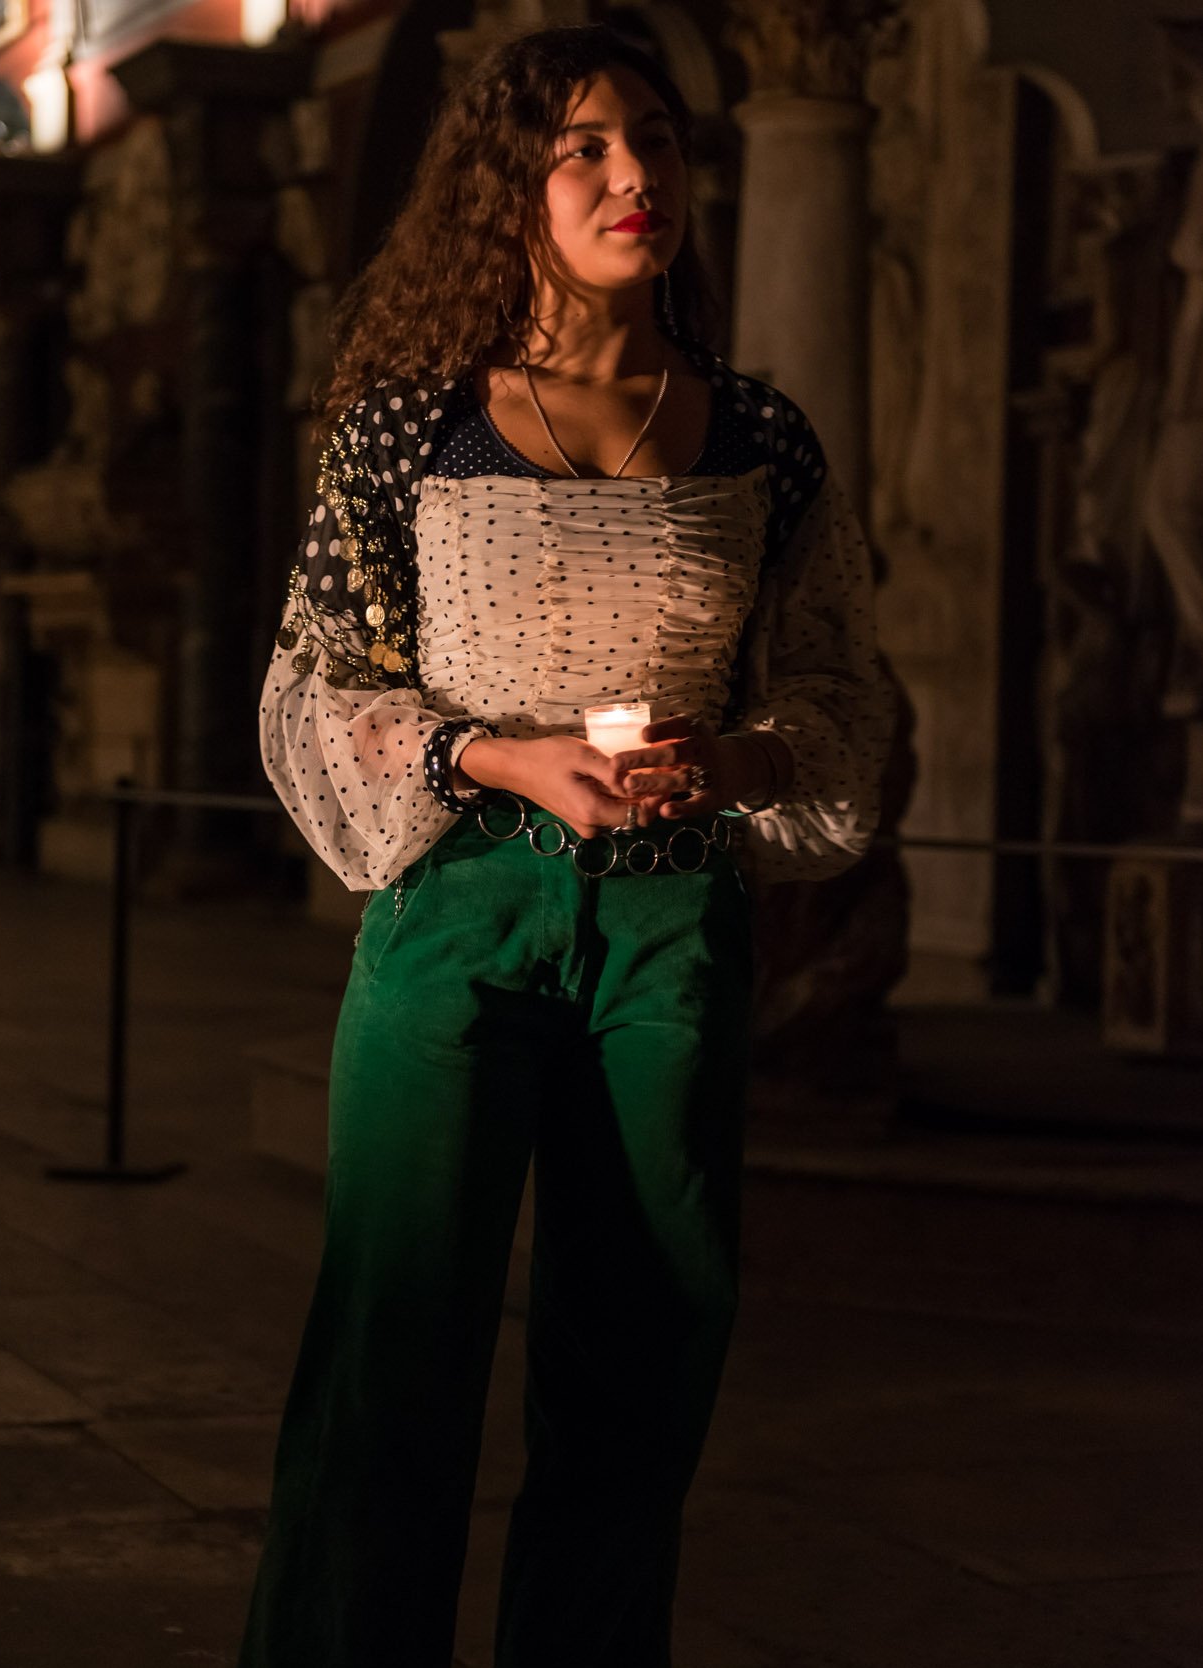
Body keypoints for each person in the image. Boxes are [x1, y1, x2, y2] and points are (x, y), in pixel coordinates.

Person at [244, 24, 892, 1668]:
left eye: (655, 139)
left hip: (671, 926)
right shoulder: (408, 427)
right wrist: (493, 752)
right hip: (460, 909)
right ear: (507, 188)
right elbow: (317, 692)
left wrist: (737, 758)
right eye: (584, 148)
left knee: (639, 1370)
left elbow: (839, 693)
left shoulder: (760, 438)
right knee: (393, 1354)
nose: (632, 176)